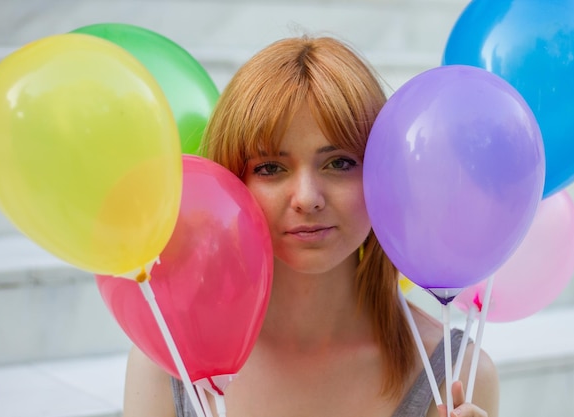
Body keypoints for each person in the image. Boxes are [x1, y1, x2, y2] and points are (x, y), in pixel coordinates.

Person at [123, 35, 499, 417]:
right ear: (231, 182)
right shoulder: (167, 361)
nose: (307, 197)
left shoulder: (458, 375)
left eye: (338, 163)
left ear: (382, 171)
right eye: (270, 168)